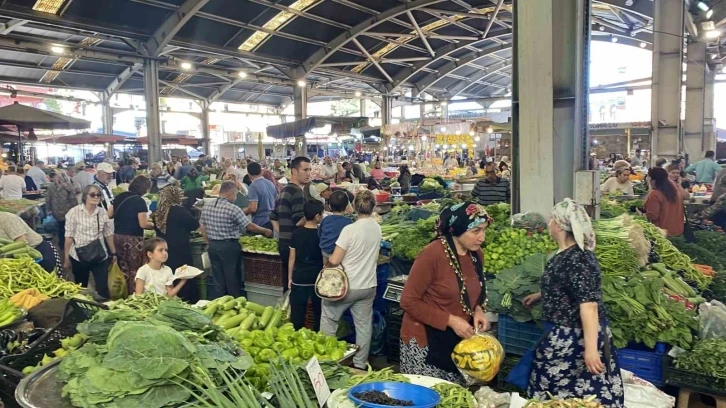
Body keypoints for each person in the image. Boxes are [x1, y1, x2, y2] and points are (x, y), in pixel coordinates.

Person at [521, 199, 623, 406]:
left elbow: (589, 305)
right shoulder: (565, 254)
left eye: (551, 219)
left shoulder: (579, 259)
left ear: (558, 225)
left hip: (574, 336)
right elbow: (569, 286)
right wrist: (542, 294)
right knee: (557, 387)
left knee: (582, 389)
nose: (549, 223)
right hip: (562, 331)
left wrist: (591, 349)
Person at [399, 202, 491, 385]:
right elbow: (408, 301)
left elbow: (472, 290)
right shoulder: (432, 254)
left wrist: (478, 310)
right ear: (456, 229)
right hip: (425, 343)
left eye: (484, 230)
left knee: (452, 397)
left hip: (457, 342)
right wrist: (451, 320)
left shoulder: (476, 254)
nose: (482, 237)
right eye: (476, 231)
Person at [320, 190, 382, 370]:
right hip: (368, 286)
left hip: (346, 287)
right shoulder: (376, 227)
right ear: (373, 206)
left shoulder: (350, 230)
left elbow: (335, 259)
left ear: (354, 206)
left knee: (329, 321)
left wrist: (328, 264)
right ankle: (360, 364)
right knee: (363, 326)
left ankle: (327, 363)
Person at [200, 181, 273, 299]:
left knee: (218, 279)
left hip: (213, 247)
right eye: (235, 195)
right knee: (232, 278)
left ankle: (219, 304)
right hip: (229, 247)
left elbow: (202, 227)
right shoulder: (233, 209)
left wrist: (208, 242)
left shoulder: (207, 206)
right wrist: (266, 231)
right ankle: (235, 304)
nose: (235, 198)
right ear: (230, 193)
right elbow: (249, 226)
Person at [63, 185, 116, 299]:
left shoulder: (102, 213)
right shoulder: (74, 212)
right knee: (81, 287)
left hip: (100, 255)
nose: (96, 197)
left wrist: (114, 253)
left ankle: (103, 309)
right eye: (92, 194)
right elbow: (69, 237)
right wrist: (66, 259)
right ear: (85, 196)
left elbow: (108, 234)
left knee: (102, 288)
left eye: (98, 195)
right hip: (79, 256)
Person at [270, 156, 311, 291]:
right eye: (305, 170)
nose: (308, 173)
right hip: (295, 246)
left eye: (309, 169)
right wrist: (314, 218)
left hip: (284, 243)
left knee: (287, 282)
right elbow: (299, 220)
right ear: (294, 171)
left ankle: (287, 309)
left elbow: (273, 216)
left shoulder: (284, 190)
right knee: (296, 285)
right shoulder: (297, 191)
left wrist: (282, 232)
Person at [153, 186, 200, 303]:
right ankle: (187, 300)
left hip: (164, 249)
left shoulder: (158, 212)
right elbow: (194, 225)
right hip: (180, 248)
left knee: (170, 276)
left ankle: (171, 298)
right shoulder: (178, 210)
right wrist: (198, 212)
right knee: (183, 275)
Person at [109, 176, 154, 295]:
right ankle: (134, 295)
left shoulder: (119, 197)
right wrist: (155, 225)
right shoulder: (139, 201)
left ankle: (123, 294)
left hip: (117, 237)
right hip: (133, 239)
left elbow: (109, 215)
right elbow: (143, 224)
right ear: (144, 189)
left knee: (123, 267)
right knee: (135, 269)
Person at [288, 200, 325, 330]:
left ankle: (297, 335)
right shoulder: (321, 234)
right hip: (317, 279)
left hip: (299, 278)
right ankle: (316, 335)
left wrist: (290, 278)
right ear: (317, 216)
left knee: (297, 313)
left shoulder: (296, 234)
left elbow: (292, 258)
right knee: (318, 312)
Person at [643, 167, 685, 236]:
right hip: (678, 231)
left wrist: (641, 214)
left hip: (662, 233)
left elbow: (652, 216)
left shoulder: (655, 194)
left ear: (653, 180)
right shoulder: (676, 192)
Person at [45, 169, 78, 252]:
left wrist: (48, 209)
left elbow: (48, 198)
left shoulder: (52, 186)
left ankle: (61, 245)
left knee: (60, 228)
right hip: (68, 211)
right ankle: (70, 245)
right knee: (68, 228)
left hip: (56, 211)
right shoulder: (69, 187)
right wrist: (76, 209)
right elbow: (73, 199)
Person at [319, 190, 353, 259]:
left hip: (324, 250)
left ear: (329, 206)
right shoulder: (348, 221)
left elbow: (320, 233)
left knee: (326, 267)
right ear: (346, 206)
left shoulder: (326, 219)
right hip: (337, 252)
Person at [245, 162, 277, 230]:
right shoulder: (270, 183)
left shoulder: (253, 186)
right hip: (273, 221)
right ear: (261, 172)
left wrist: (243, 211)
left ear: (249, 174)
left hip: (261, 223)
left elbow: (253, 208)